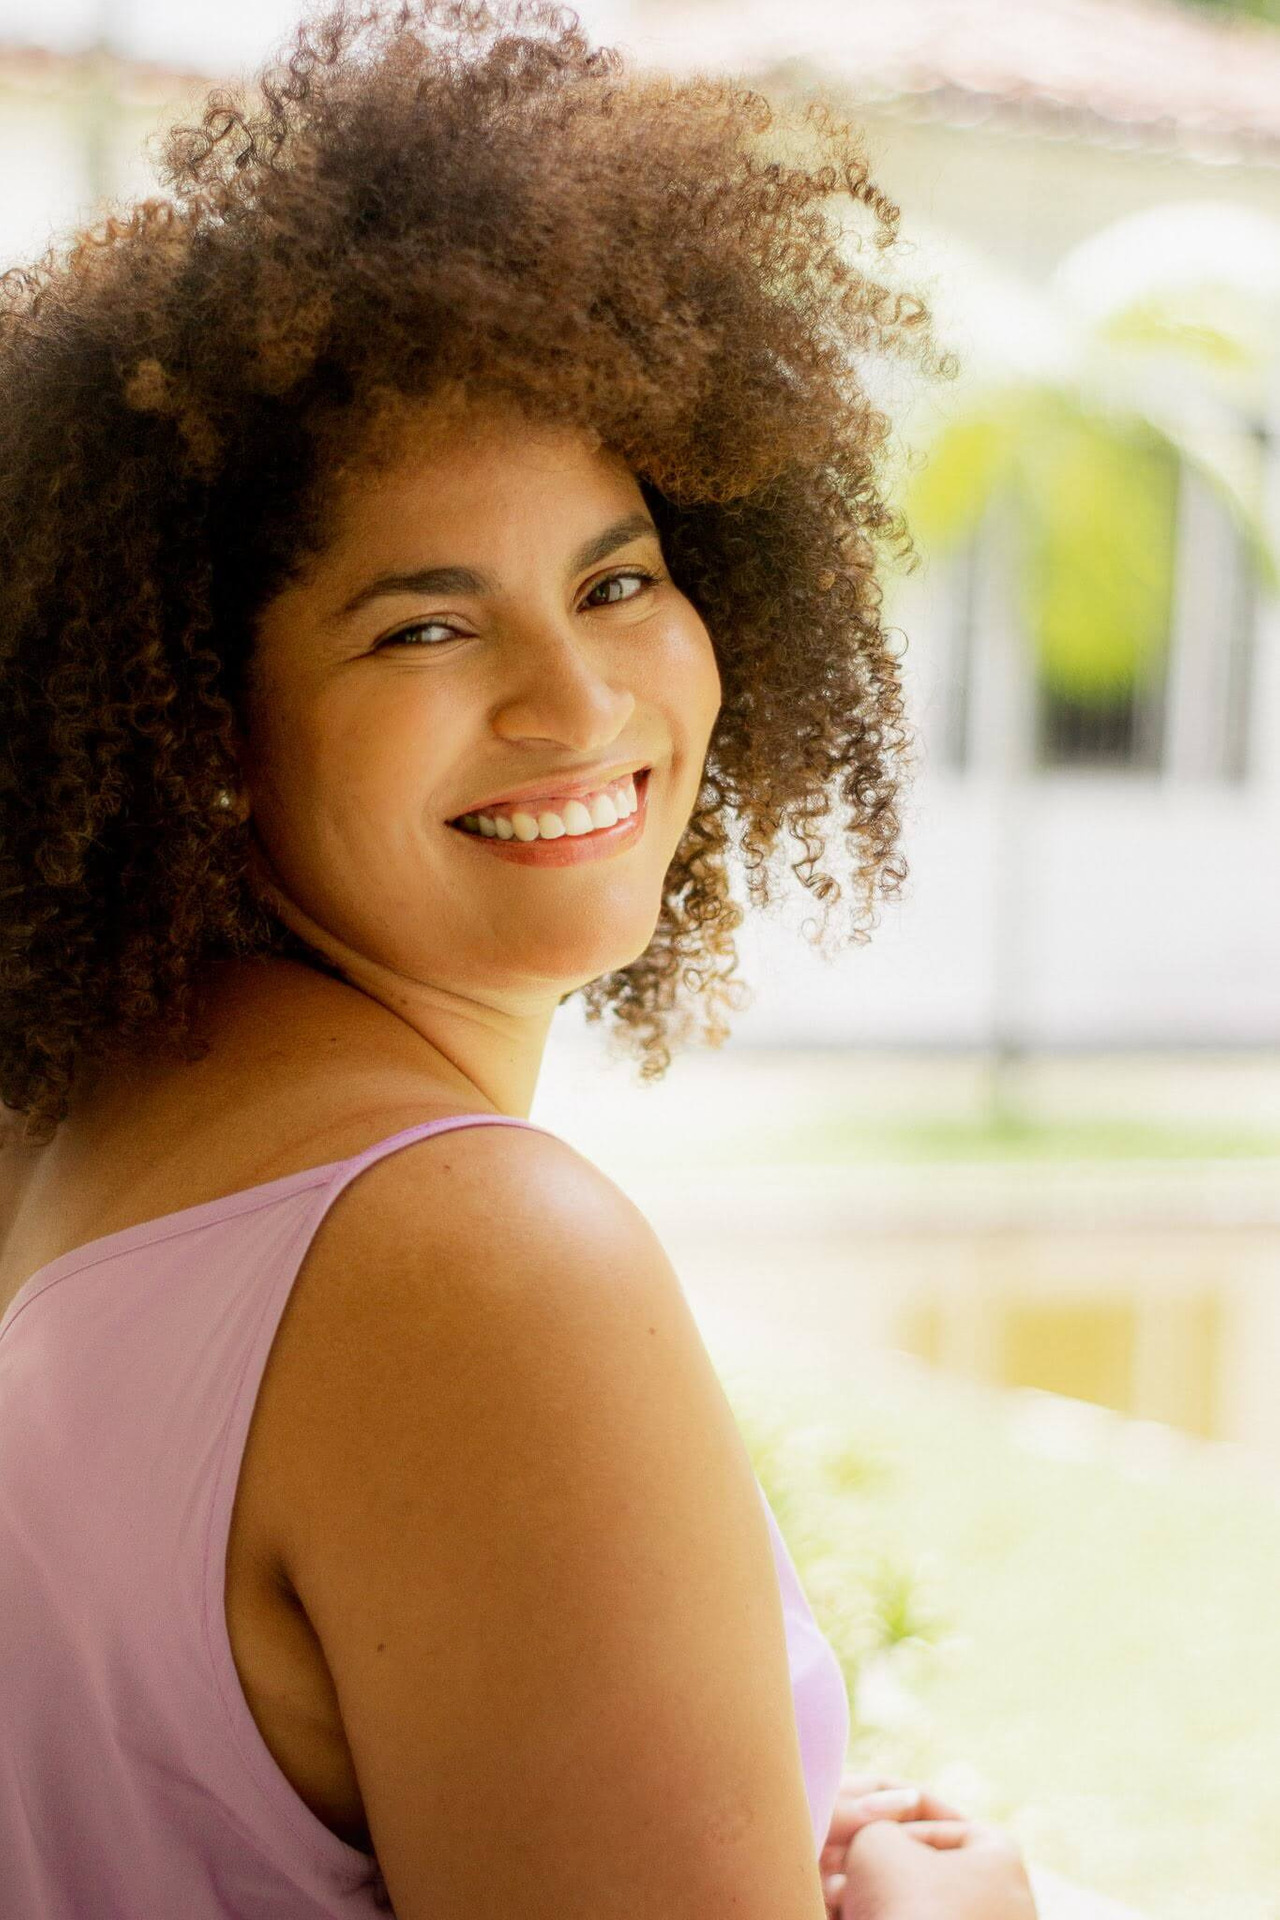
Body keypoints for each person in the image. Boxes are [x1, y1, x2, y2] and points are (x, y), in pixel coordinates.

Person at [0, 1, 1038, 1914]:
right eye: (421, 628)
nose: (578, 702)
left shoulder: (70, 1121)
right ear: (194, 718)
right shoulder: (477, 1263)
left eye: (619, 578)